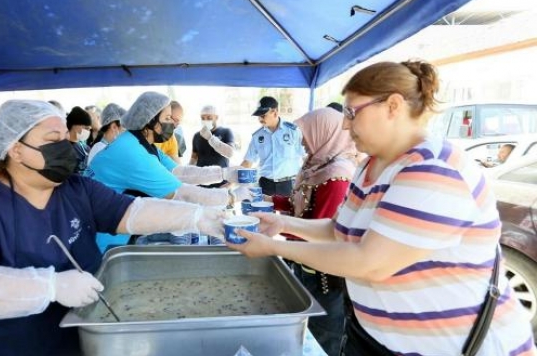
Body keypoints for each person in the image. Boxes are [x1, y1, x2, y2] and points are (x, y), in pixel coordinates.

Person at [228, 61, 536, 355]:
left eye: (352, 112)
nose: (345, 124)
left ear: (393, 106)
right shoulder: (373, 165)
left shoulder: (432, 168)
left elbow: (370, 262)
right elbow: (339, 231)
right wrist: (283, 225)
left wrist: (272, 248)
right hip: (374, 337)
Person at [0, 99, 225, 356]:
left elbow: (133, 211)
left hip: (61, 339)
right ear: (15, 149)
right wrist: (49, 286)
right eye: (52, 141)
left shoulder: (75, 189)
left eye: (64, 137)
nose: (64, 147)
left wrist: (202, 218)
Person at [88, 91, 248, 246]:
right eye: (167, 118)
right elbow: (182, 194)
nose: (172, 123)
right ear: (150, 121)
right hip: (99, 236)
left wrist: (225, 173)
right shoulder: (130, 150)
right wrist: (231, 197)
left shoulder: (144, 145)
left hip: (115, 225)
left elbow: (181, 173)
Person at [265, 107, 357, 356]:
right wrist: (269, 201)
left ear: (324, 133)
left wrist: (275, 241)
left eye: (307, 134)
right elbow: (300, 206)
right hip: (306, 263)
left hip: (323, 273)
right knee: (309, 328)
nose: (303, 141)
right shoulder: (317, 167)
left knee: (323, 334)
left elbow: (320, 227)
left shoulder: (337, 176)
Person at [241, 96, 306, 196]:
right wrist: (230, 182)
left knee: (289, 211)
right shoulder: (257, 136)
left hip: (289, 185)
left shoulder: (293, 132)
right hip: (265, 185)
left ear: (275, 112)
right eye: (258, 116)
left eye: (263, 116)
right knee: (263, 212)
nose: (260, 119)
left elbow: (305, 157)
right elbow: (248, 162)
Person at [190, 105, 235, 188]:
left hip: (221, 183)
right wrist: (189, 175)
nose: (205, 120)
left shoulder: (226, 132)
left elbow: (230, 153)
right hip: (201, 183)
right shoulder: (197, 135)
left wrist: (211, 138)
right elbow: (194, 158)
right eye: (202, 118)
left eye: (209, 117)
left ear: (216, 117)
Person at [66, 106, 92, 175]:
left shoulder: (84, 147)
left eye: (89, 129)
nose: (88, 132)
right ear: (75, 126)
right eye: (86, 128)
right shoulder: (63, 148)